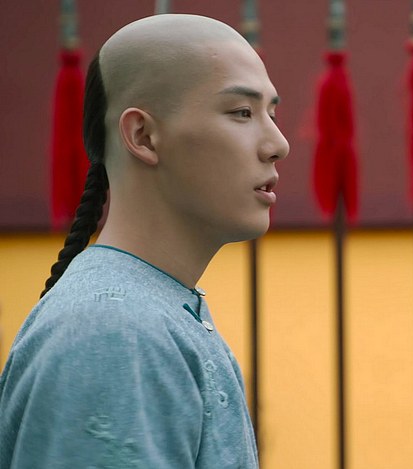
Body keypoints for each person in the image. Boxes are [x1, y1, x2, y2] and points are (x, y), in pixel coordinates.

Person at [0, 14, 288, 467]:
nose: (278, 144)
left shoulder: (144, 315)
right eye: (241, 112)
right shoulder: (113, 332)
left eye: (272, 113)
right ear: (144, 136)